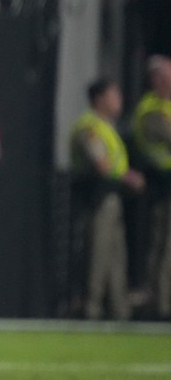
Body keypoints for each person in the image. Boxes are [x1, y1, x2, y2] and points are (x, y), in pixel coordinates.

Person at [70, 78, 144, 321]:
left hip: (113, 198)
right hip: (97, 199)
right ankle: (91, 310)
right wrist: (128, 177)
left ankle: (119, 312)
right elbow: (102, 164)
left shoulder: (108, 127)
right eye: (114, 94)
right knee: (97, 257)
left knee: (116, 259)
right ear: (100, 99)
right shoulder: (89, 127)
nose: (118, 100)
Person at [132, 55, 171, 320]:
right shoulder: (152, 110)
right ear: (156, 79)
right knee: (165, 246)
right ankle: (161, 304)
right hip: (164, 185)